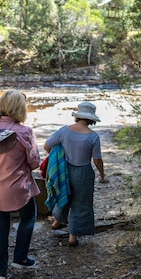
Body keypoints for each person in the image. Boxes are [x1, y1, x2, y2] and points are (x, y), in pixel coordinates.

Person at [0, 90, 41, 279]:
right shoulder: (24, 131)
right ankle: (20, 258)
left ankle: (0, 272)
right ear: (20, 108)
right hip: (17, 188)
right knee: (29, 216)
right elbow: (34, 162)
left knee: (0, 226)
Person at [44, 101, 107, 247]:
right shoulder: (93, 137)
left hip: (65, 170)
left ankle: (56, 222)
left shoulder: (64, 131)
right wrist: (102, 174)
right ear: (91, 119)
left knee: (63, 194)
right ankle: (72, 236)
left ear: (78, 116)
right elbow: (97, 159)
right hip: (84, 172)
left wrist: (58, 159)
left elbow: (47, 145)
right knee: (81, 203)